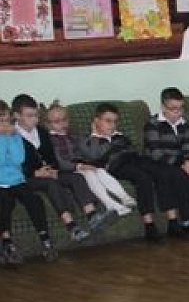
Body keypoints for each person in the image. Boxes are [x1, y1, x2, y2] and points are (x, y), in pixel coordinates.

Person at [77, 103, 180, 243]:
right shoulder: (88, 140)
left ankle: (173, 222)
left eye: (115, 121)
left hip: (135, 159)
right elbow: (94, 156)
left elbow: (131, 149)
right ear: (96, 121)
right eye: (108, 121)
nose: (112, 125)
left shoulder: (120, 136)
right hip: (117, 166)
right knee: (143, 178)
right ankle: (149, 226)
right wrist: (95, 134)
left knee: (162, 172)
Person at [11, 94, 102, 240]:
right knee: (51, 184)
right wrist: (35, 172)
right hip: (27, 177)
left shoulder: (41, 131)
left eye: (36, 115)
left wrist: (53, 169)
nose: (34, 119)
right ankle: (72, 227)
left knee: (76, 177)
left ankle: (92, 216)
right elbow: (12, 164)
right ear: (16, 115)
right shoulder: (11, 136)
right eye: (29, 116)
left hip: (49, 172)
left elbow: (52, 157)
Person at [143, 87, 189, 233]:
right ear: (163, 107)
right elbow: (156, 153)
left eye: (181, 108)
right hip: (163, 161)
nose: (177, 112)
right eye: (173, 109)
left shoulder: (183, 122)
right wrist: (182, 165)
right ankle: (186, 220)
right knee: (181, 177)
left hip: (182, 159)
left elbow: (188, 144)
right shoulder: (153, 124)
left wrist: (188, 161)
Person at [45, 101, 135, 217]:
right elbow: (58, 161)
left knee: (100, 171)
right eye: (57, 121)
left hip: (83, 164)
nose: (62, 124)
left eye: (64, 120)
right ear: (48, 124)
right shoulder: (49, 140)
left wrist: (94, 134)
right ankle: (111, 204)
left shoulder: (75, 137)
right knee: (89, 174)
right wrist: (78, 166)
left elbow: (89, 153)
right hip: (68, 170)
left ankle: (124, 197)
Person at [0, 100, 58, 263]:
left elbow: (19, 159)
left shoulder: (16, 136)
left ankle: (45, 239)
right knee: (4, 203)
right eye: (0, 120)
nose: (4, 124)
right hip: (1, 183)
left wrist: (10, 138)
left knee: (35, 201)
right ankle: (6, 243)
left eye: (6, 119)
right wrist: (3, 139)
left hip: (17, 180)